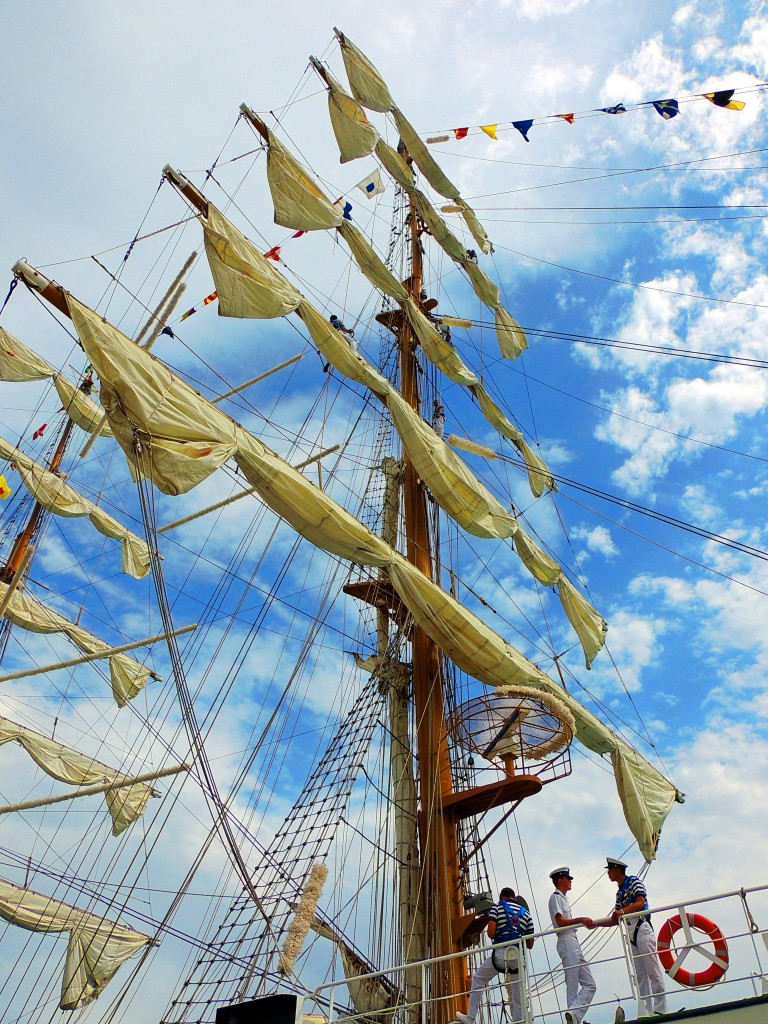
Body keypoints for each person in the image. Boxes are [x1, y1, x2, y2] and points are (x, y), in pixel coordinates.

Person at [587, 857, 667, 1016]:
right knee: (640, 975)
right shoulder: (619, 892)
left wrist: (623, 912)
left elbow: (640, 902)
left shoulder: (633, 882)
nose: (608, 873)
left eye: (609, 870)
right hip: (631, 930)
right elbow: (615, 919)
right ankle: (646, 1011)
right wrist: (596, 924)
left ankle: (660, 1010)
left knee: (652, 971)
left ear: (616, 869)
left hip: (642, 927)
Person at [457, 886, 535, 1024]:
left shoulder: (497, 907)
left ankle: (470, 1018)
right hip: (517, 958)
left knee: (479, 979)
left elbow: (491, 932)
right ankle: (519, 1021)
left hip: (500, 955)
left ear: (502, 897)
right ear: (513, 897)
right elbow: (529, 944)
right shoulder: (526, 913)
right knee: (518, 994)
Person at [548, 867, 596, 1024]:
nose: (570, 881)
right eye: (568, 878)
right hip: (566, 939)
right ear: (560, 879)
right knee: (572, 983)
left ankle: (574, 1015)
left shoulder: (562, 898)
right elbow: (560, 921)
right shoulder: (555, 897)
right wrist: (580, 919)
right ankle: (573, 1018)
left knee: (590, 984)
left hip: (572, 940)